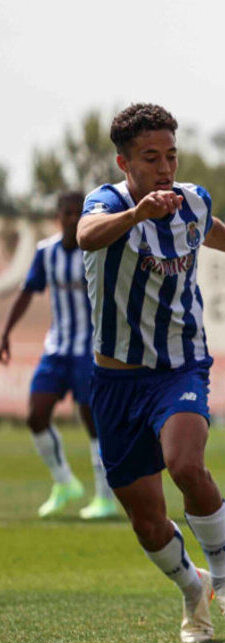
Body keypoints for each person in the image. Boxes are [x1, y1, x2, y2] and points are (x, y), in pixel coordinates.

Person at [76, 103, 225, 643]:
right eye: (150, 157)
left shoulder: (192, 199)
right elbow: (88, 235)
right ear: (124, 162)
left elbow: (205, 228)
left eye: (170, 155)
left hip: (180, 364)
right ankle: (194, 590)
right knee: (147, 520)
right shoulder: (109, 203)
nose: (164, 167)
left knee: (185, 463)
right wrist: (137, 215)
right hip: (116, 381)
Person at [1, 191, 118, 519]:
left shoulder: (96, 251)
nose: (71, 219)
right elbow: (27, 292)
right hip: (57, 348)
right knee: (36, 415)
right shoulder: (46, 252)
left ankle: (104, 497)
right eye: (66, 213)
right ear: (57, 217)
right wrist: (6, 332)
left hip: (90, 349)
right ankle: (64, 481)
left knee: (92, 420)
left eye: (77, 213)